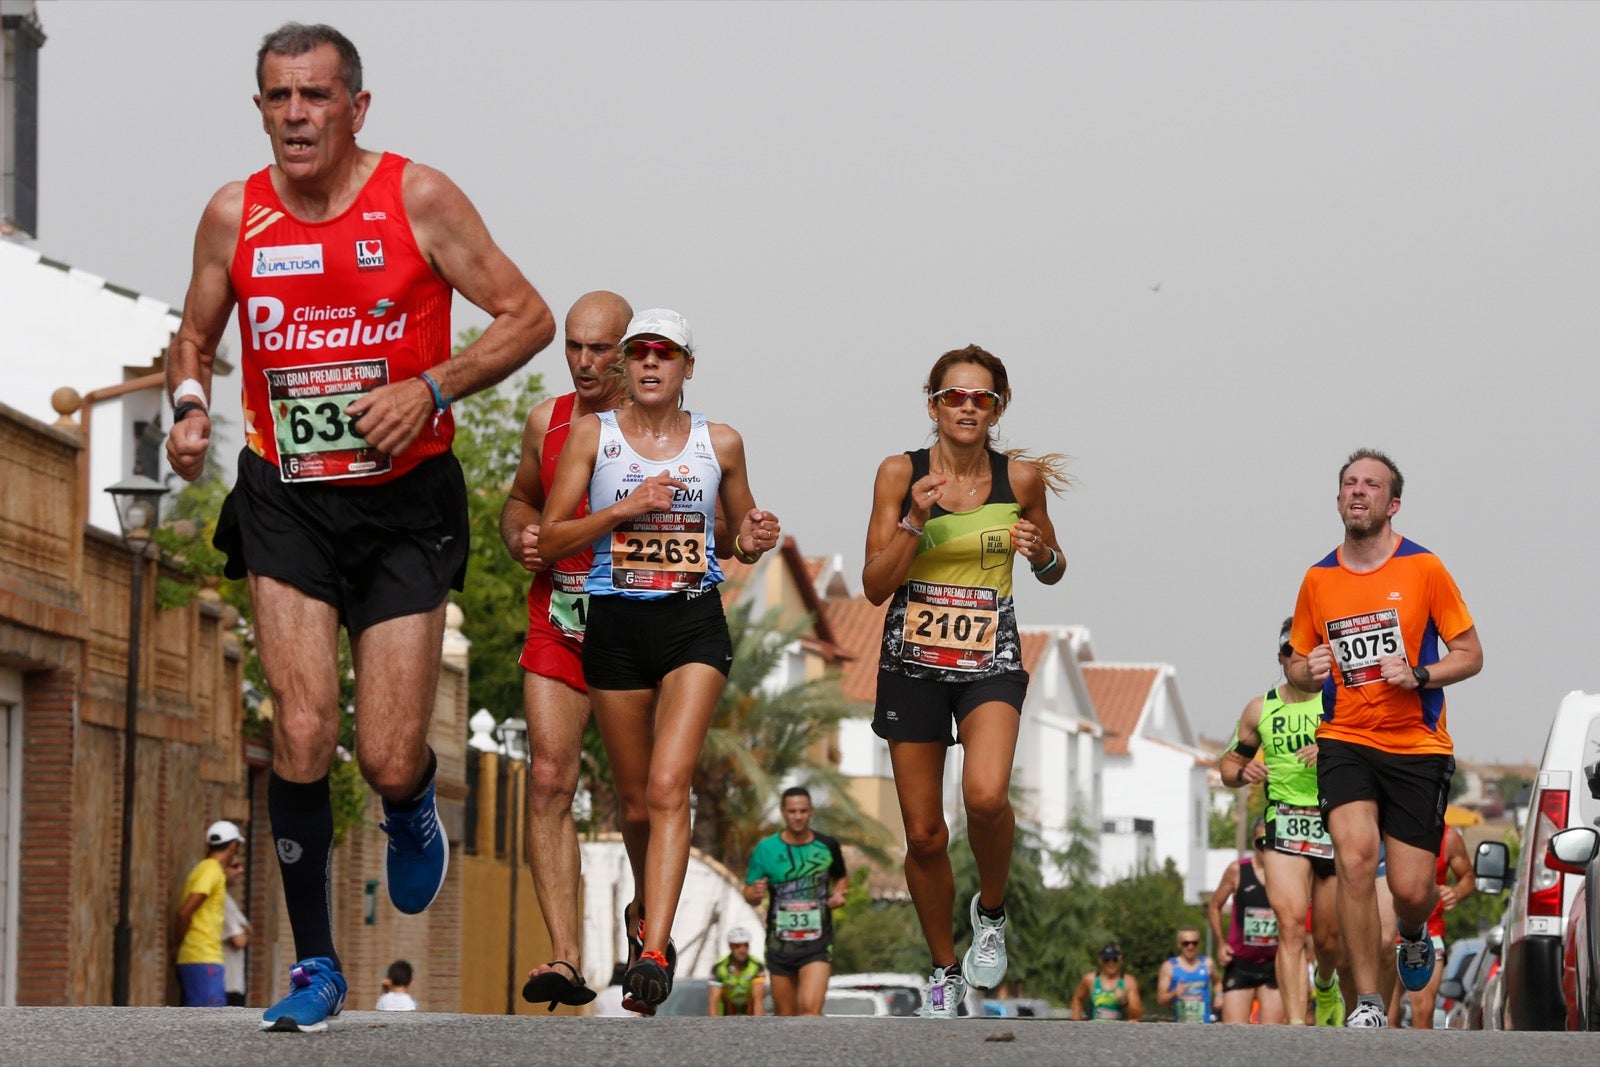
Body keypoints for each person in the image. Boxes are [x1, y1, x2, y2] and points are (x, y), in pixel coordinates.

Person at [163, 23, 554, 1032]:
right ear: (260, 109)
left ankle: (410, 799)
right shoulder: (233, 214)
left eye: (316, 96)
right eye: (279, 98)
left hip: (402, 503)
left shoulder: (417, 197)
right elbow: (194, 336)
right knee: (299, 728)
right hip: (285, 494)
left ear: (356, 107)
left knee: (384, 752)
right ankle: (319, 965)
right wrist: (189, 408)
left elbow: (527, 315)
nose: (297, 115)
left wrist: (431, 387)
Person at [539, 308, 780, 1014]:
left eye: (665, 353)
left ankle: (653, 949)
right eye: (640, 351)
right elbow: (550, 538)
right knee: (638, 802)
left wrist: (756, 534)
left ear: (687, 366)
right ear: (626, 363)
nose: (650, 362)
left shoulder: (720, 441)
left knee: (671, 785)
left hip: (691, 625)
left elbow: (738, 537)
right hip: (615, 625)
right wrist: (623, 510)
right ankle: (646, 910)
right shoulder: (594, 436)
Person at [861, 344, 1068, 1018]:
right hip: (913, 662)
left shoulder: (1021, 480)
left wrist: (1042, 554)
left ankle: (992, 910)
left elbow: (1054, 567)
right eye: (955, 396)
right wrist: (914, 522)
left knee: (985, 795)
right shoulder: (900, 472)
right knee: (924, 834)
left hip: (989, 660)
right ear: (934, 406)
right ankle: (944, 969)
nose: (968, 408)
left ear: (998, 410)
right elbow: (873, 585)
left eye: (982, 398)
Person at [1284, 449, 1482, 1029]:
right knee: (1354, 859)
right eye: (1350, 482)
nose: (1358, 490)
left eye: (1371, 484)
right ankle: (1367, 1002)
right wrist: (1307, 669)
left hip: (1417, 745)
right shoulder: (1318, 578)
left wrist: (1419, 674)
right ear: (1338, 499)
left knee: (1411, 889)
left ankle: (1414, 931)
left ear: (1393, 504)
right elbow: (1297, 663)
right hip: (1344, 738)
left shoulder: (1425, 568)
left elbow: (1470, 655)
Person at [501, 291, 632, 1011]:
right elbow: (520, 499)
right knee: (550, 778)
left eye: (599, 348)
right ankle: (565, 955)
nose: (583, 362)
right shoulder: (545, 422)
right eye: (573, 347)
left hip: (639, 626)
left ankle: (650, 928)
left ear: (629, 351)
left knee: (642, 794)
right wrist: (519, 534)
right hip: (559, 619)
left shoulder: (661, 430)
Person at [1219, 619, 1348, 1026]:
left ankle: (1325, 984)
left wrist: (1331, 749)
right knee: (1290, 926)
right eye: (1297, 653)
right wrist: (1244, 772)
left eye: (1314, 652)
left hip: (1332, 821)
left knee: (1327, 938)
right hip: (1285, 821)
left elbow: (1370, 752)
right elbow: (1228, 766)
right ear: (1281, 657)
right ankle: (1295, 1026)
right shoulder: (1261, 708)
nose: (1307, 661)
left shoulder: (1341, 700)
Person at [742, 787, 847, 1016]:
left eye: (803, 811)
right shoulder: (766, 849)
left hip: (817, 943)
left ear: (811, 812)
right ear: (783, 812)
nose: (798, 816)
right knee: (785, 1017)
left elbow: (840, 877)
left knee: (809, 1011)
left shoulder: (827, 845)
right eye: (792, 811)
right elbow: (748, 893)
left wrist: (839, 894)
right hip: (780, 944)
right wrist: (755, 893)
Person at [1388, 824, 1473, 1028]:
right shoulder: (1388, 828)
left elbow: (1468, 877)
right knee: (1389, 1015)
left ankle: (1421, 1049)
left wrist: (1457, 892)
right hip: (1388, 931)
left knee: (1424, 1008)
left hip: (1430, 930)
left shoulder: (1449, 837)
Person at [1207, 827, 1286, 1023]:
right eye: (1261, 842)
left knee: (1274, 1035)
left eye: (1271, 842)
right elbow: (1214, 906)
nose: (1266, 848)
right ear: (1253, 843)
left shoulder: (1286, 873)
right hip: (1241, 964)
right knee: (1235, 1033)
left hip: (1274, 965)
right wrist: (1220, 943)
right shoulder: (1237, 870)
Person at [174, 821, 245, 1007]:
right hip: (203, 956)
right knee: (211, 1019)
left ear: (208, 845)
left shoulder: (205, 869)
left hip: (200, 957)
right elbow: (184, 913)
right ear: (233, 845)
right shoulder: (211, 869)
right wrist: (178, 945)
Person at [1157, 926, 1219, 1023]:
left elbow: (1218, 983)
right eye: (1186, 943)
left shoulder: (1207, 964)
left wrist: (1220, 996)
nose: (1190, 947)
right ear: (1179, 944)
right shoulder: (1169, 966)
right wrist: (1174, 993)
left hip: (1204, 1025)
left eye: (1194, 943)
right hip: (1179, 1025)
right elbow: (1161, 999)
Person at [1071, 943, 1142, 1021]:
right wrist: (1076, 1022)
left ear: (1120, 960)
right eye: (1106, 960)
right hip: (1094, 1027)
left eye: (1115, 959)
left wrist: (1124, 1002)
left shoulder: (1129, 982)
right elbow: (1077, 998)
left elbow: (1136, 1017)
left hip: (1118, 1028)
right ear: (1100, 960)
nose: (1111, 963)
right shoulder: (1090, 979)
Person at [708, 927, 767, 1017]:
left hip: (750, 1016)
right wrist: (713, 1023)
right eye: (737, 946)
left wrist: (758, 1023)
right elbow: (713, 1001)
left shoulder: (757, 966)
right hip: (725, 1016)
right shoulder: (719, 967)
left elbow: (758, 999)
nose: (742, 950)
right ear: (730, 946)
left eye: (745, 945)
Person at [222, 857, 251, 1006]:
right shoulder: (221, 900)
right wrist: (246, 930)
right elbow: (239, 940)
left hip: (235, 982)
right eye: (235, 866)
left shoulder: (228, 899)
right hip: (226, 982)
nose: (240, 870)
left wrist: (245, 931)